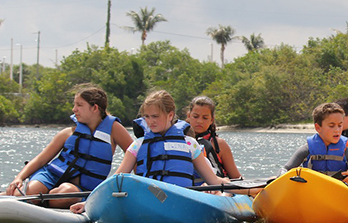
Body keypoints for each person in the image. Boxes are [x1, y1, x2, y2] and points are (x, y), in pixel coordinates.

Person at [70, 90, 230, 214]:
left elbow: (212, 180)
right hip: (150, 199)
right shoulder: (138, 146)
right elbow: (115, 180)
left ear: (170, 115)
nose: (150, 121)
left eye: (155, 116)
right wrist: (88, 202)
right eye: (146, 116)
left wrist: (234, 187)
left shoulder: (189, 144)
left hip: (182, 201)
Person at [5, 86, 133, 208]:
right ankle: (24, 197)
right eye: (74, 104)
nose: (74, 109)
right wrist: (19, 178)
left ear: (95, 108)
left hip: (80, 189)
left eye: (79, 105)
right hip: (50, 176)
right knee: (31, 192)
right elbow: (40, 160)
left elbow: (135, 154)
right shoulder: (69, 132)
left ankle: (41, 201)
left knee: (66, 194)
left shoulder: (114, 129)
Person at [283, 102, 348, 189]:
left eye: (340, 125)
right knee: (275, 178)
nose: (337, 130)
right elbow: (286, 169)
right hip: (313, 189)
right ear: (318, 127)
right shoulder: (306, 150)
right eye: (331, 126)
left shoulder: (346, 151)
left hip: (338, 190)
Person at [186, 95, 242, 181]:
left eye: (205, 118)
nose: (199, 121)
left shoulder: (219, 144)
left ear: (211, 120)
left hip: (217, 189)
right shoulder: (180, 141)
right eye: (195, 116)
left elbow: (236, 177)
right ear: (189, 116)